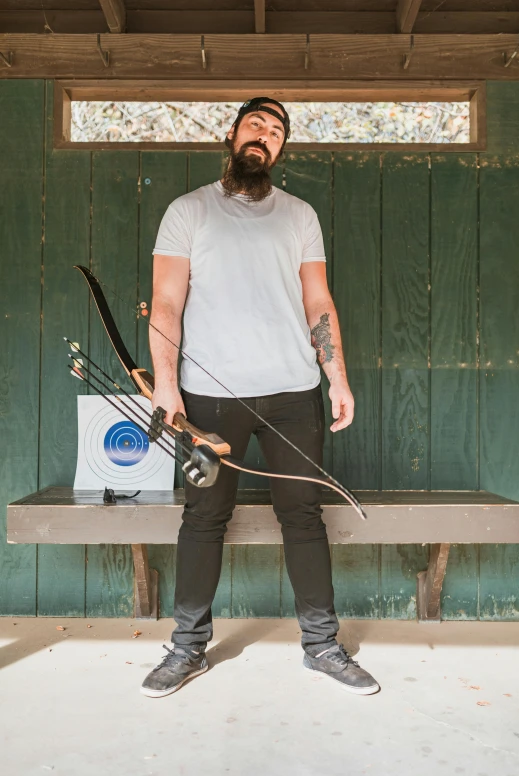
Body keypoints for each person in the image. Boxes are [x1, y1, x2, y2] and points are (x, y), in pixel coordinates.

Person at [141, 97, 380, 698]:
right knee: (204, 518)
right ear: (232, 132)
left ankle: (322, 645)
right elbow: (166, 303)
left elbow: (318, 303)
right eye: (256, 124)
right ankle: (187, 648)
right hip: (207, 401)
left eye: (276, 131)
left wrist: (338, 377)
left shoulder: (299, 215)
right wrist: (166, 385)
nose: (264, 136)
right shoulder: (188, 211)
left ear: (279, 149)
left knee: (302, 517)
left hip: (294, 394)